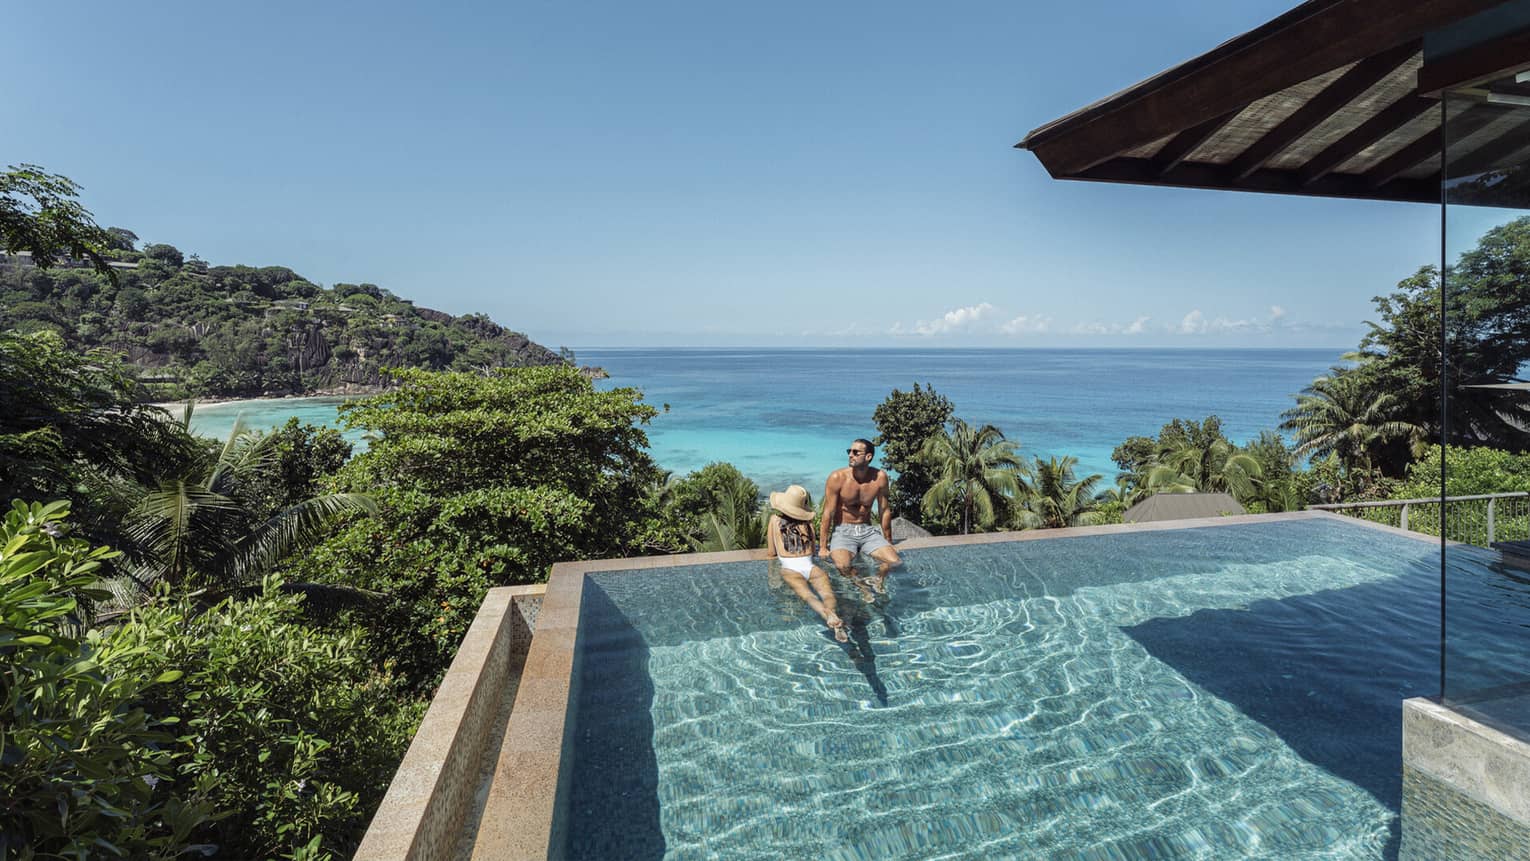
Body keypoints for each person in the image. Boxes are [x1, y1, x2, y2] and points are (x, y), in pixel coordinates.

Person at [766, 484, 848, 642]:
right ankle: (832, 615)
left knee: (809, 597)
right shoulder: (808, 524)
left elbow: (771, 553)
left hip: (790, 569)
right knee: (828, 595)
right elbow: (812, 549)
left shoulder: (774, 520)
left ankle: (827, 617)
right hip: (811, 567)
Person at [820, 438, 901, 595]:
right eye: (849, 451)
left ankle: (878, 581)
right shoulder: (837, 478)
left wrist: (888, 541)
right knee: (842, 566)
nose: (851, 455)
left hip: (867, 531)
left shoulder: (880, 478)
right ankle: (862, 587)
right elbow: (828, 512)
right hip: (843, 531)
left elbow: (884, 510)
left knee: (895, 561)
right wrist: (823, 547)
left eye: (856, 452)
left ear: (868, 457)